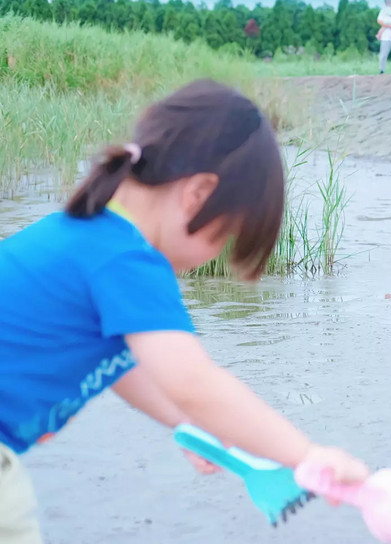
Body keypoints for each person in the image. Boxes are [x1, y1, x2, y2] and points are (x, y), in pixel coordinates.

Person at [0, 80, 370, 543]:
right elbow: (195, 382)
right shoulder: (128, 259)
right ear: (197, 194)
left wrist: (196, 426)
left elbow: (120, 369)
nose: (207, 258)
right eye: (224, 237)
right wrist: (308, 455)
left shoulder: (88, 236)